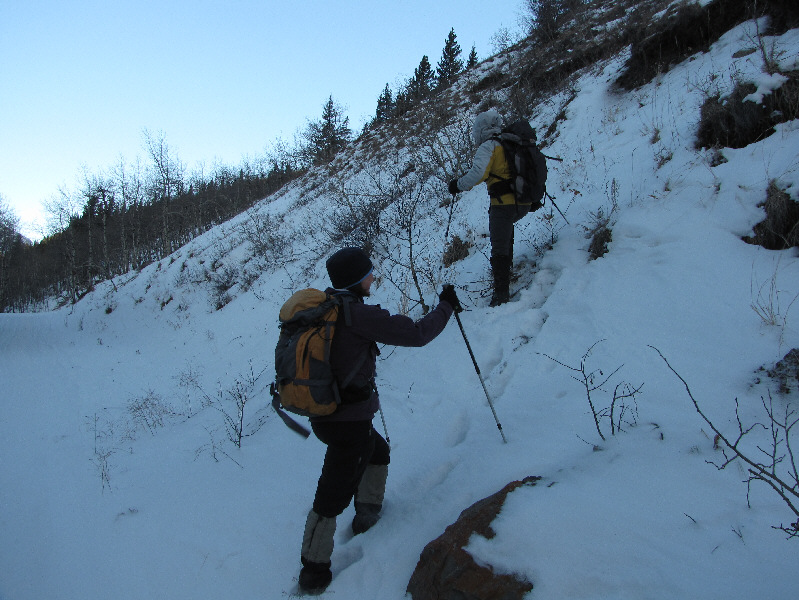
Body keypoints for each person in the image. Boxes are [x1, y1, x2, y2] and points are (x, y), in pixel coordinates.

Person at [298, 247, 461, 595]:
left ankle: (367, 514)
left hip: (326, 414)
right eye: (369, 273)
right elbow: (416, 335)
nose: (373, 277)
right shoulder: (358, 315)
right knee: (331, 492)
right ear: (357, 279)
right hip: (348, 422)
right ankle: (313, 570)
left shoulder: (324, 308)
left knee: (378, 451)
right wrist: (446, 306)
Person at [448, 109, 533, 306]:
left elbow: (478, 174)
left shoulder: (489, 147)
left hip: (503, 205)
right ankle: (507, 280)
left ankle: (501, 295)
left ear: (481, 130)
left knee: (499, 249)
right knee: (506, 237)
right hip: (525, 202)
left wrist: (457, 185)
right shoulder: (513, 142)